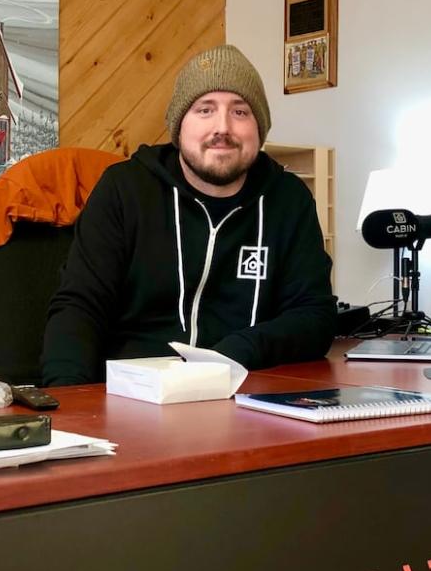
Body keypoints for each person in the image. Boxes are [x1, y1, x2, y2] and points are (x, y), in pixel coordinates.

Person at [40, 44, 336, 387]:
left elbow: (315, 316)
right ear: (179, 126)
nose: (222, 127)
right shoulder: (125, 190)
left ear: (260, 129)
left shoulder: (288, 199)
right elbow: (79, 306)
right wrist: (71, 404)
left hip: (244, 399)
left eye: (240, 112)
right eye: (205, 110)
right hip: (133, 401)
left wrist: (237, 351)